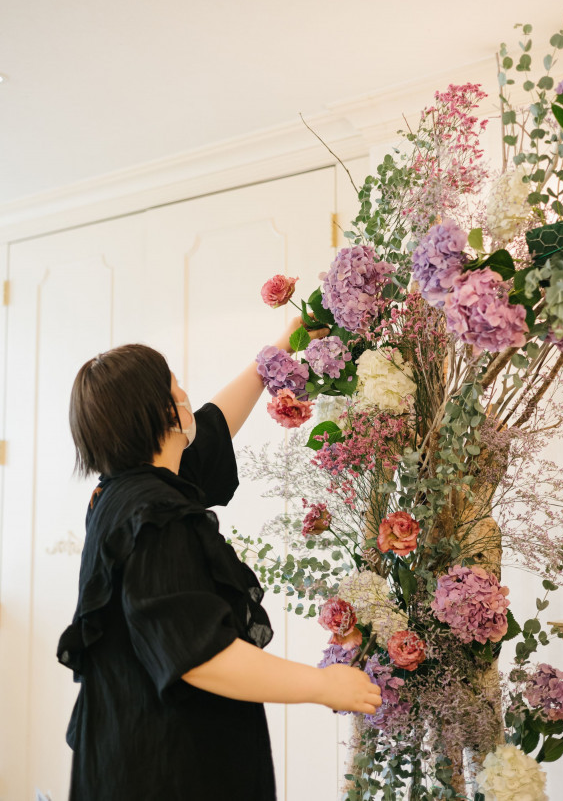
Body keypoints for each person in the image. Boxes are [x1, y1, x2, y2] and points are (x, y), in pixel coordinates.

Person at [58, 318, 381, 801]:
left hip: (131, 753)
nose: (186, 394)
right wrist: (323, 685)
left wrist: (279, 353)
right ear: (165, 411)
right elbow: (198, 655)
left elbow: (212, 427)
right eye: (177, 385)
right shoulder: (156, 516)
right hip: (166, 767)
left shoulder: (124, 493)